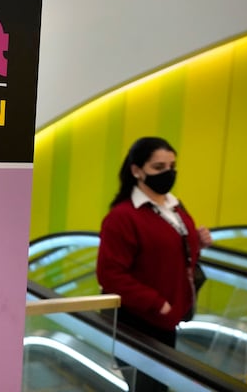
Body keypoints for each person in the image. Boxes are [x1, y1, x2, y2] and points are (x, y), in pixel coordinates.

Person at [96, 136, 212, 391]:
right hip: (136, 321)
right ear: (137, 170)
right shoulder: (122, 217)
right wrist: (158, 304)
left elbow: (176, 253)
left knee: (159, 385)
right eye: (159, 167)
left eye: (172, 166)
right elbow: (110, 275)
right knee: (148, 387)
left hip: (167, 319)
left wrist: (198, 243)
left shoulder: (175, 207)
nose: (168, 174)